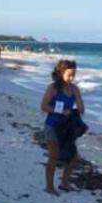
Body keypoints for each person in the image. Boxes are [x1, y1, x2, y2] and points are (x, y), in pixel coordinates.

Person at [40, 59, 85, 195]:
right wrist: (61, 111)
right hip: (52, 126)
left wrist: (79, 106)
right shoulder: (53, 88)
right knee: (53, 157)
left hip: (67, 128)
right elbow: (43, 106)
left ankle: (65, 183)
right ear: (61, 72)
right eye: (69, 74)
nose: (72, 77)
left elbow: (81, 107)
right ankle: (49, 186)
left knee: (74, 156)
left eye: (74, 74)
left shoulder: (74, 89)